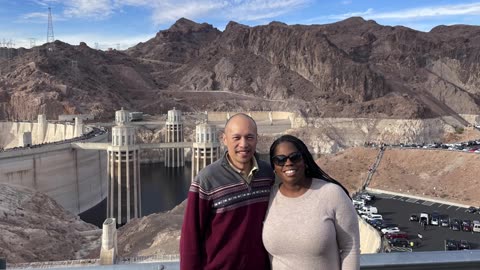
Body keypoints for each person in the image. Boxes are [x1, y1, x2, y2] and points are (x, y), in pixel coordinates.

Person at [180, 113, 275, 270]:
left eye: (249, 137)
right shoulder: (207, 180)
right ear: (224, 139)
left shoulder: (267, 174)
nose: (243, 144)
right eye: (236, 138)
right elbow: (191, 237)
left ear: (257, 138)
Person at [262, 134, 360, 270]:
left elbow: (350, 246)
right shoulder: (269, 197)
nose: (288, 163)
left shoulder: (332, 194)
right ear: (274, 167)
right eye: (280, 160)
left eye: (295, 157)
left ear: (305, 160)